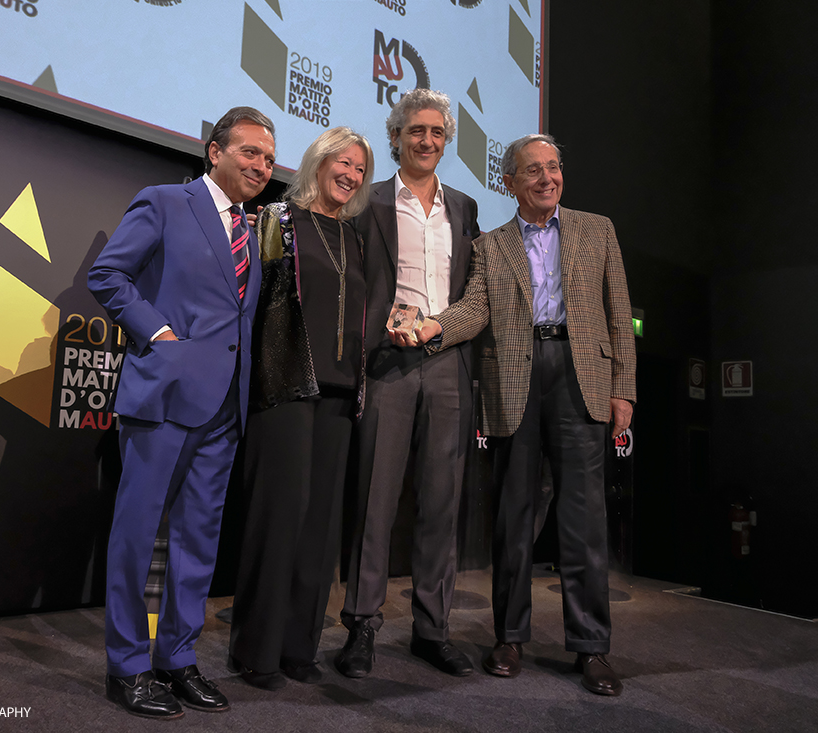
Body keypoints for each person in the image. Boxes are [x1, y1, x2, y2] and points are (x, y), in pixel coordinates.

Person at [412, 134, 636, 696]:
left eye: (553, 167)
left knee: (583, 523)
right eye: (532, 171)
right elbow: (475, 310)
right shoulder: (492, 245)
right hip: (517, 377)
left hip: (582, 375)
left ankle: (591, 648)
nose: (546, 178)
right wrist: (435, 327)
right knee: (514, 515)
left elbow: (619, 314)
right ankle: (509, 636)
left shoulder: (598, 230)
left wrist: (624, 392)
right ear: (508, 182)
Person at [88, 107, 276, 718]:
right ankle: (127, 666)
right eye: (249, 152)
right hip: (165, 395)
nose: (261, 166)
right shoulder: (166, 201)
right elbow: (109, 272)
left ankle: (177, 658)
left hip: (227, 404)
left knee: (198, 538)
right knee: (137, 535)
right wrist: (159, 334)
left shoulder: (255, 230)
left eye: (269, 160)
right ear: (214, 151)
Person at [336, 89, 480, 679]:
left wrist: (438, 331)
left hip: (447, 362)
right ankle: (362, 625)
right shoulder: (366, 201)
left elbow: (475, 294)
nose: (427, 141)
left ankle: (431, 629)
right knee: (375, 498)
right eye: (416, 131)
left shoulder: (466, 208)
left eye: (437, 133)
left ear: (446, 142)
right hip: (386, 364)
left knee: (442, 503)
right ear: (396, 137)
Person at [227, 127, 374, 690]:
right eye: (343, 162)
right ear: (318, 162)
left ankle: (298, 648)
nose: (352, 175)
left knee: (317, 530)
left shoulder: (357, 238)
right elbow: (252, 304)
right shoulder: (277, 221)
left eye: (360, 168)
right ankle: (256, 652)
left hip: (339, 398)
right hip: (285, 389)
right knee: (278, 521)